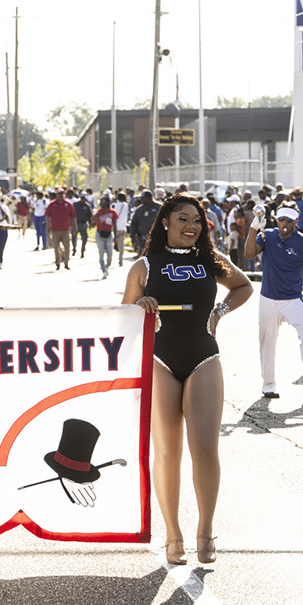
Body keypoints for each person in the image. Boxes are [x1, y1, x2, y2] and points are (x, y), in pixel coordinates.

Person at [123, 194, 253, 565]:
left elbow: (244, 286)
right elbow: (124, 315)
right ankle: (173, 534)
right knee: (168, 451)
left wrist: (221, 310)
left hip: (204, 356)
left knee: (206, 449)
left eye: (197, 219)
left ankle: (205, 531)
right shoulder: (144, 266)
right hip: (160, 359)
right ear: (165, 221)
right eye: (183, 218)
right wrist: (141, 305)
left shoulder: (210, 260)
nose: (191, 225)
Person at [242, 201, 303, 400]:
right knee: (267, 342)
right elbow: (249, 253)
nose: (285, 223)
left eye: (289, 220)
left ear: (296, 221)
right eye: (281, 218)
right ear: (276, 218)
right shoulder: (267, 235)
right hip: (268, 299)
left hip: (292, 299)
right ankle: (268, 384)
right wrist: (253, 228)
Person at [45, 189, 76, 271]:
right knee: (56, 247)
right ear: (56, 195)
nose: (60, 195)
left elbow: (73, 216)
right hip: (55, 229)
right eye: (59, 194)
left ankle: (66, 263)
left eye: (62, 194)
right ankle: (58, 263)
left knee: (67, 247)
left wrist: (75, 227)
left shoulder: (68, 204)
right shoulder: (52, 204)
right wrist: (48, 226)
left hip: (65, 229)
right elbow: (47, 216)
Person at [128, 190, 160, 259]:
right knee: (143, 257)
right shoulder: (139, 209)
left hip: (156, 238)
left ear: (149, 198)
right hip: (142, 238)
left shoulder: (159, 207)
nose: (141, 200)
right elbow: (134, 223)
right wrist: (132, 236)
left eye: (143, 198)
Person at [92, 195, 118, 279]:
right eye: (101, 201)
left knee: (110, 253)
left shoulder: (112, 212)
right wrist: (95, 219)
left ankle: (107, 266)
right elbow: (92, 224)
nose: (102, 203)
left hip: (109, 234)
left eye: (104, 201)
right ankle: (103, 270)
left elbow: (114, 224)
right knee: (101, 252)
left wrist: (116, 236)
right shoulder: (98, 212)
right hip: (99, 234)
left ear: (107, 202)